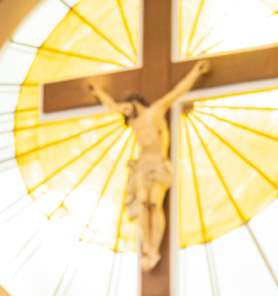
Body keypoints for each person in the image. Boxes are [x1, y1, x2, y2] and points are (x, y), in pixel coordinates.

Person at [89, 60, 209, 271]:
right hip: (143, 166)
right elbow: (110, 105)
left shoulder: (156, 110)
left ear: (134, 101)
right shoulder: (133, 121)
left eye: (126, 107)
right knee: (144, 203)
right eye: (123, 110)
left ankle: (154, 246)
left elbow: (178, 92)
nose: (125, 112)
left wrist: (196, 72)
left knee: (154, 201)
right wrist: (97, 91)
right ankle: (148, 248)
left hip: (158, 164)